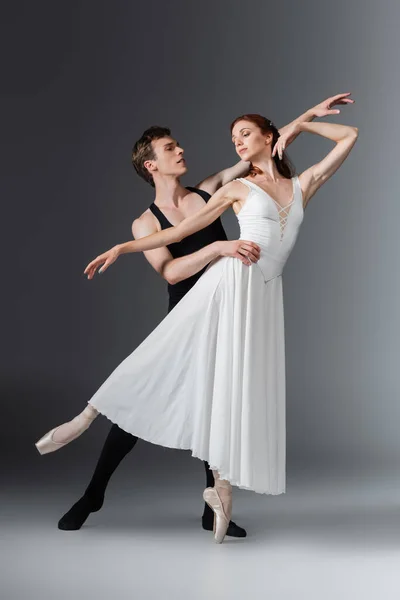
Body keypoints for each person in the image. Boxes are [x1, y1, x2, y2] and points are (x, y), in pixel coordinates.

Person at [36, 100, 357, 543]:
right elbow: (170, 270)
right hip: (190, 304)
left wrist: (307, 115)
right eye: (170, 148)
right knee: (141, 400)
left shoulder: (210, 188)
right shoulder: (144, 222)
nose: (181, 149)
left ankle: (214, 505)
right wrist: (216, 250)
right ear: (152, 164)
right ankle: (93, 494)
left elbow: (267, 145)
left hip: (236, 301)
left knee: (217, 405)